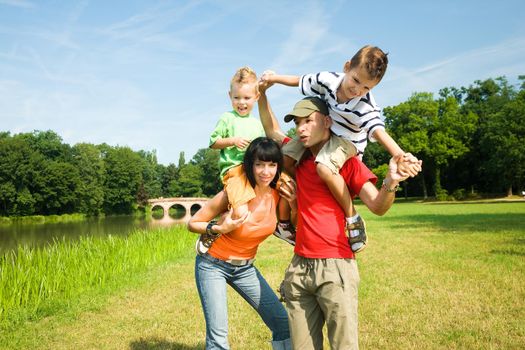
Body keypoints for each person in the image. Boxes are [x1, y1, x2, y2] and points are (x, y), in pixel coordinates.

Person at [257, 85, 422, 349]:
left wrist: (391, 180)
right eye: (298, 123)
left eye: (308, 121)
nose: (301, 129)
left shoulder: (345, 162)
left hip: (336, 266)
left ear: (327, 121)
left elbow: (378, 205)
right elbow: (271, 129)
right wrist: (262, 95)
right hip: (299, 267)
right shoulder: (297, 156)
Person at [261, 45, 420, 252]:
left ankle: (352, 216)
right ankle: (284, 223)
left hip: (348, 143)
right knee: (282, 159)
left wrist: (399, 155)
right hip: (303, 251)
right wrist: (272, 80)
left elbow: (379, 132)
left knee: (324, 168)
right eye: (355, 80)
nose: (357, 90)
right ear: (346, 67)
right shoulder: (327, 80)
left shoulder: (364, 107)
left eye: (366, 88)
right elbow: (299, 80)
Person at [188, 137, 295, 350]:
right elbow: (193, 223)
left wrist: (293, 202)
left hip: (245, 268)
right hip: (213, 265)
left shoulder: (278, 193)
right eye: (260, 164)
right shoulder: (234, 193)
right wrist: (219, 229)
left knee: (283, 324)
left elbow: (289, 227)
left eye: (272, 165)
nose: (266, 171)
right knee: (218, 338)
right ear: (250, 165)